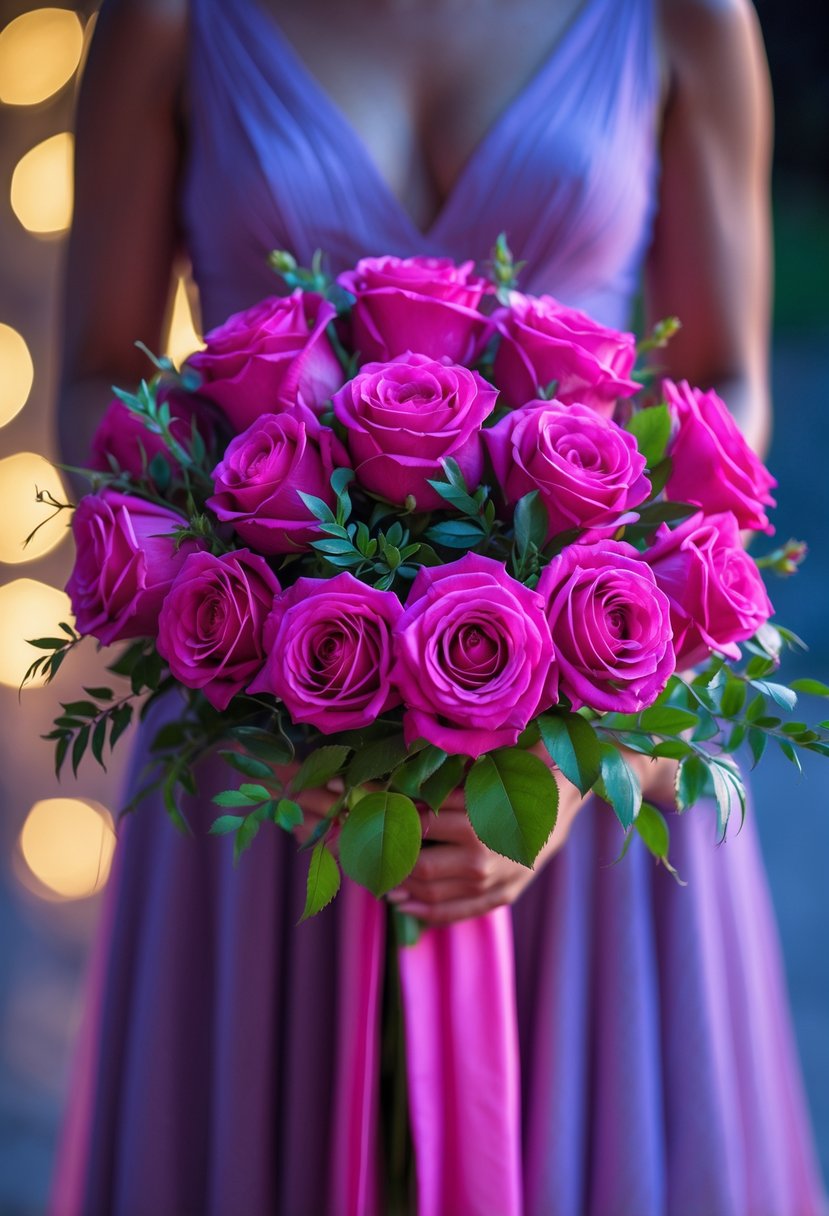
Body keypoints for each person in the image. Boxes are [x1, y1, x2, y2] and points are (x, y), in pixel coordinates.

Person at [51, 0, 826, 1213]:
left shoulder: (684, 17)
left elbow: (723, 381)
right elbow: (100, 373)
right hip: (266, 758)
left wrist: (592, 746)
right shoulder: (168, 19)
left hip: (592, 742)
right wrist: (257, 678)